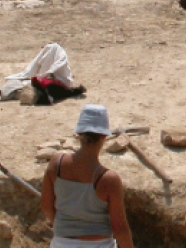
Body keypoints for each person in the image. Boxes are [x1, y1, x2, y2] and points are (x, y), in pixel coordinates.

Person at [41, 105, 134, 248]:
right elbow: (120, 229)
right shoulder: (109, 180)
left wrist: (64, 228)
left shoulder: (56, 165)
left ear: (79, 134)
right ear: (104, 136)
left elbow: (47, 207)